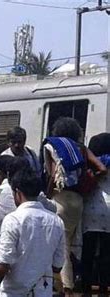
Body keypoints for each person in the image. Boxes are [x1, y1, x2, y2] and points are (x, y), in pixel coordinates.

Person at [42, 117, 106, 295]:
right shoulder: (82, 148)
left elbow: (53, 173)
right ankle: (63, 286)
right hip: (78, 200)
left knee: (60, 244)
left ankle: (67, 289)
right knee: (71, 244)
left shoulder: (53, 146)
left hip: (60, 198)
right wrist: (88, 185)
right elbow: (101, 168)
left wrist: (47, 193)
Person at [0, 168, 66, 297]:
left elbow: (2, 267)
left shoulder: (13, 219)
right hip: (43, 292)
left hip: (13, 292)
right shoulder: (56, 221)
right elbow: (57, 266)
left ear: (17, 192)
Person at [81, 133, 110, 296]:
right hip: (109, 210)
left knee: (88, 252)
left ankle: (86, 290)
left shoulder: (92, 162)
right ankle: (104, 289)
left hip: (91, 208)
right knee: (106, 254)